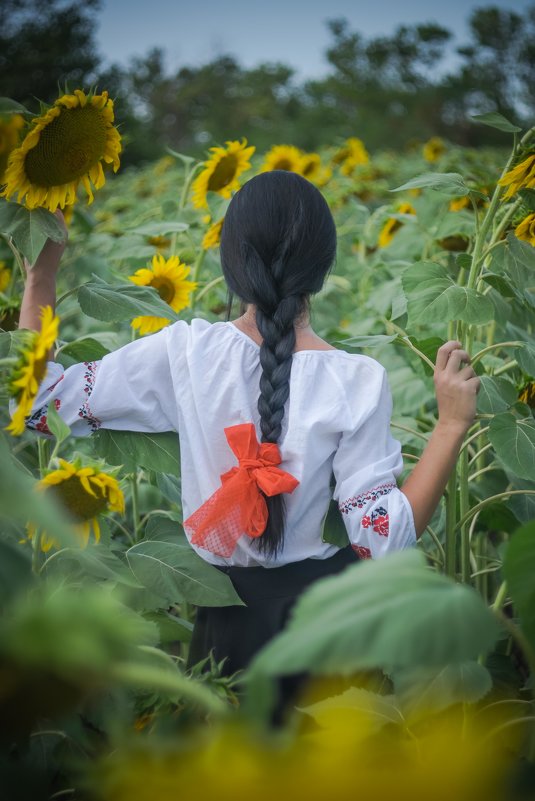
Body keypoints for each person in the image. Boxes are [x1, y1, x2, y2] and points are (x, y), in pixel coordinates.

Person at [9, 170, 481, 717]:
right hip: (332, 630)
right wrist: (449, 427)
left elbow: (40, 404)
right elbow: (381, 542)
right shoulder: (355, 380)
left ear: (231, 262)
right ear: (323, 267)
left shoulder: (187, 353)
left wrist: (41, 278)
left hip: (224, 626)